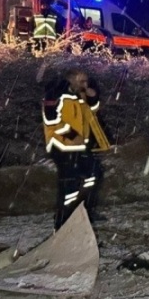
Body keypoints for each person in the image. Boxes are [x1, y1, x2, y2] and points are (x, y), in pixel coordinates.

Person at [43, 68, 111, 229]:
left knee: (95, 175)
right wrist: (73, 135)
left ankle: (85, 212)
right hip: (62, 147)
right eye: (81, 81)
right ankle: (63, 222)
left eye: (86, 81)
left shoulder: (78, 96)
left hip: (79, 146)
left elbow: (91, 112)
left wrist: (92, 96)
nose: (85, 84)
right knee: (69, 185)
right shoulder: (56, 95)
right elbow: (51, 120)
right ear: (71, 79)